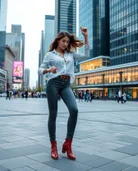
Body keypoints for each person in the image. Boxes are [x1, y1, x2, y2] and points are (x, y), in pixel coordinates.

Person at [38, 27, 89, 160]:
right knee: (53, 115)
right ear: (58, 41)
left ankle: (68, 143)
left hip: (66, 84)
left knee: (74, 110)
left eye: (67, 42)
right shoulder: (50, 55)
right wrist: (49, 69)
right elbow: (40, 69)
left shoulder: (71, 54)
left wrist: (86, 37)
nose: (65, 44)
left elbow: (86, 55)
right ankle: (53, 146)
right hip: (53, 84)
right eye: (63, 41)